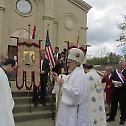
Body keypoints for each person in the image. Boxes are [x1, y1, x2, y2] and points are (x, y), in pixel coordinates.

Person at [51, 47, 89, 126]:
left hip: (74, 112)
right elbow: (66, 79)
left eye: (69, 62)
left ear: (75, 62)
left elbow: (76, 93)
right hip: (67, 111)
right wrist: (57, 78)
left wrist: (63, 85)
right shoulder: (74, 73)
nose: (67, 65)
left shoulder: (80, 75)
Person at [107, 59, 126, 125]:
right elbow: (111, 78)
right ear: (119, 65)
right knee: (113, 105)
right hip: (115, 90)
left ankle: (123, 119)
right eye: (120, 65)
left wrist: (122, 84)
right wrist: (114, 82)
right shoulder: (115, 71)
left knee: (122, 106)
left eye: (122, 65)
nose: (121, 66)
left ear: (125, 65)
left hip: (123, 91)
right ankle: (112, 117)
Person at [0, 58, 17, 126]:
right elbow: (5, 95)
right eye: (13, 68)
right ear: (10, 65)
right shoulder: (2, 76)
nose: (13, 71)